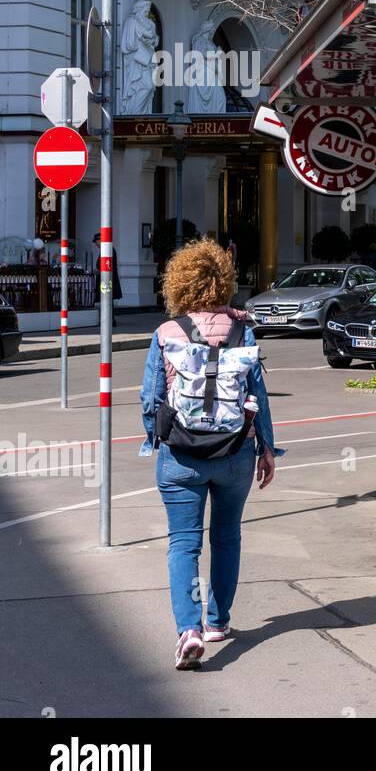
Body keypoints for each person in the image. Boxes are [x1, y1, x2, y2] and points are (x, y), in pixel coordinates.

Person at [139, 238, 283, 670]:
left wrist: (157, 438)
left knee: (183, 544)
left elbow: (151, 399)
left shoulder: (167, 334)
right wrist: (267, 450)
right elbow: (258, 396)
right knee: (226, 537)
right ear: (224, 281)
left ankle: (190, 630)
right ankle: (218, 621)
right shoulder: (245, 330)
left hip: (181, 457)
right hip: (235, 455)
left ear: (178, 284)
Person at [91, 231, 122, 325]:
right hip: (104, 279)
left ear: (101, 240)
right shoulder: (105, 249)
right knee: (106, 300)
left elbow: (108, 267)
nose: (95, 244)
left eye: (96, 241)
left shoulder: (108, 250)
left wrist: (98, 271)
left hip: (107, 280)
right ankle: (109, 319)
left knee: (107, 300)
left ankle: (109, 320)